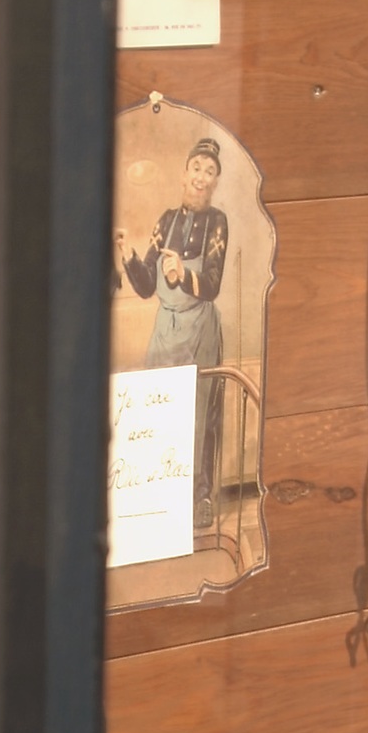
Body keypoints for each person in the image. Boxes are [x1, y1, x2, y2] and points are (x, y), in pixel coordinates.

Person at [116, 134, 228, 535]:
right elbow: (147, 287)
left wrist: (185, 275)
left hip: (200, 329)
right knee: (158, 413)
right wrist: (129, 255)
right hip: (165, 331)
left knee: (200, 415)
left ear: (214, 183)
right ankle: (158, 496)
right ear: (184, 175)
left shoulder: (217, 222)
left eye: (210, 172)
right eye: (196, 168)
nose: (201, 177)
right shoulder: (165, 222)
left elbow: (212, 283)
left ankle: (200, 497)